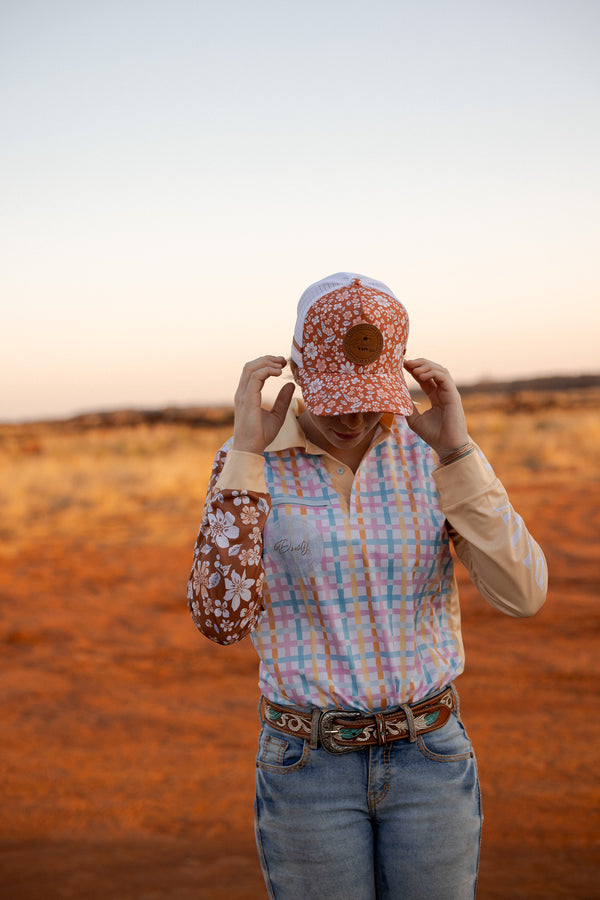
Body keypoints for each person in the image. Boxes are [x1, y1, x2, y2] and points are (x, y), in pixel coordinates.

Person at [187, 272, 547, 900]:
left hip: (431, 760)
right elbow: (221, 619)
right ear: (297, 367)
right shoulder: (251, 461)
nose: (354, 415)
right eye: (335, 396)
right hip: (307, 770)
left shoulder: (430, 452)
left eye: (369, 395)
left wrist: (458, 451)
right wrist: (246, 452)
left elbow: (523, 592)